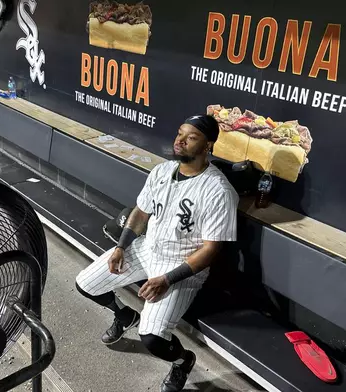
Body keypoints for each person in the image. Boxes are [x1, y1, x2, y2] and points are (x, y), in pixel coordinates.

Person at [75, 115, 239, 392]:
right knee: (85, 284)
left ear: (208, 145)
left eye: (191, 137)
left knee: (152, 338)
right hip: (146, 248)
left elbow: (210, 250)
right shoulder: (162, 171)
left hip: (180, 264)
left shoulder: (219, 190)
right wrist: (121, 247)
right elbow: (140, 213)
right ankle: (124, 315)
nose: (180, 140)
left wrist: (167, 279)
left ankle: (182, 361)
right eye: (179, 133)